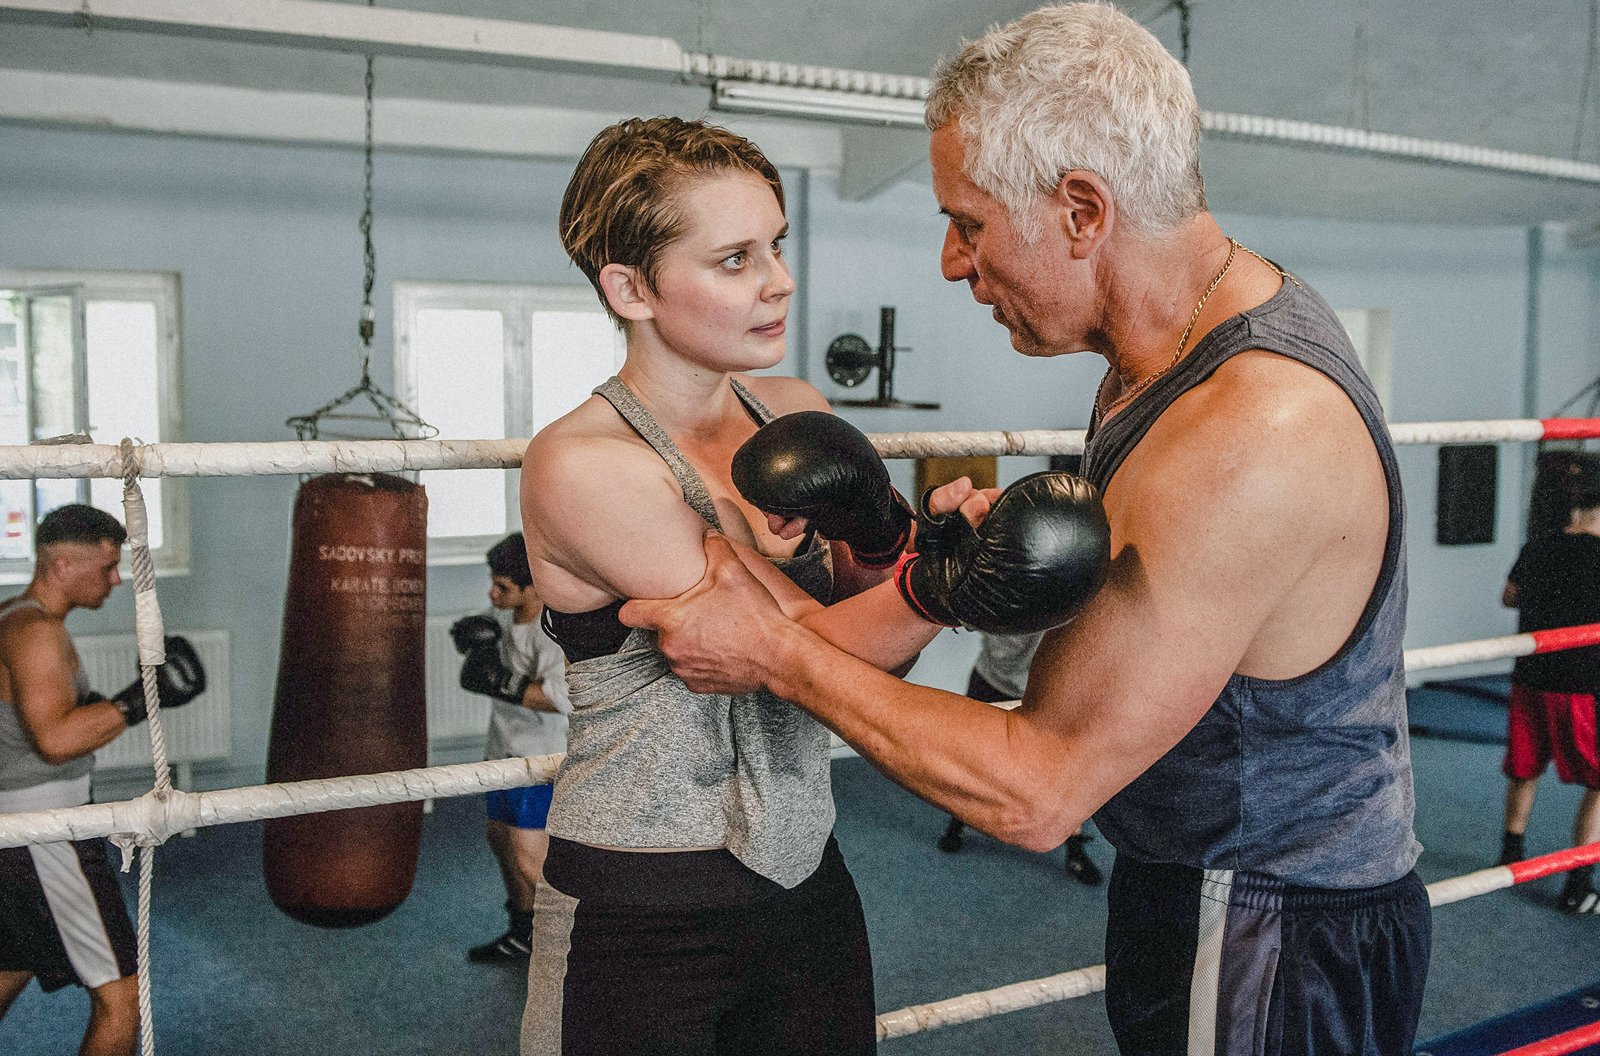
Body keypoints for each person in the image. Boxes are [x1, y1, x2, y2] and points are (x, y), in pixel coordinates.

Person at [619, 6, 1432, 1054]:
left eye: (968, 221)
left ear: (1082, 210)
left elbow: (1036, 790)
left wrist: (774, 652)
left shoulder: (1248, 429)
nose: (954, 263)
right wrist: (953, 580)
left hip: (1273, 916)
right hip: (1209, 876)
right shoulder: (1164, 352)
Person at [516, 116, 953, 1056]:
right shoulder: (586, 464)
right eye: (734, 259)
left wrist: (893, 546)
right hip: (646, 895)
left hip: (804, 868)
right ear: (631, 289)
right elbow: (812, 653)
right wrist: (951, 582)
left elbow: (867, 632)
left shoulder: (793, 410)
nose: (780, 280)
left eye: (778, 245)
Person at [0, 504, 205, 1056]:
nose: (116, 580)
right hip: (44, 832)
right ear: (63, 565)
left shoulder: (13, 618)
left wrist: (104, 708)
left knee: (10, 965)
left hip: (16, 827)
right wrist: (140, 701)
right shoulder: (36, 632)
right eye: (108, 566)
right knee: (122, 995)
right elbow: (55, 739)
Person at [450, 532, 572, 963]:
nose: (492, 593)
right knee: (500, 839)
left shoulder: (555, 629)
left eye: (502, 587)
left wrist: (502, 683)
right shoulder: (504, 617)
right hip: (502, 749)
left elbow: (563, 697)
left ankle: (572, 949)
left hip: (539, 757)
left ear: (533, 586)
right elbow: (482, 635)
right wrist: (471, 634)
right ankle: (524, 934)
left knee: (528, 857)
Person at [1498, 482, 1600, 913]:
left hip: (1530, 677)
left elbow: (1508, 597)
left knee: (1526, 766)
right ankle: (1579, 886)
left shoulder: (1537, 545)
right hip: (1581, 686)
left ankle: (1510, 853)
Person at [937, 630, 1102, 886]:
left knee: (1065, 774)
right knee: (974, 763)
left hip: (1057, 694)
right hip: (995, 682)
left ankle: (1075, 851)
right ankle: (957, 824)